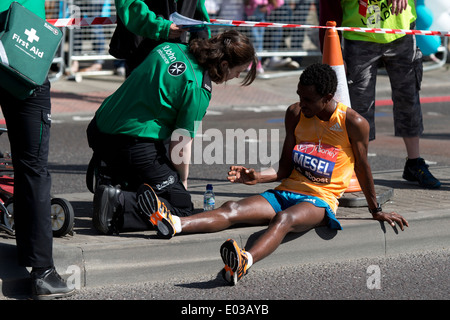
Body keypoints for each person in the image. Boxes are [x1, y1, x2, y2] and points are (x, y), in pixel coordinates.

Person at [137, 63, 409, 285]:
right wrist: (255, 177)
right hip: (286, 190)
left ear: (328, 98)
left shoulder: (352, 122)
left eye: (308, 100)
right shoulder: (294, 114)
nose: (301, 104)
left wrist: (376, 209)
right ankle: (173, 223)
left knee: (284, 218)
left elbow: (362, 167)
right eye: (299, 96)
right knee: (232, 208)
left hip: (320, 200)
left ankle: (244, 261)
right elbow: (283, 168)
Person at [87, 30, 258, 235]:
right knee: (181, 205)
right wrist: (181, 183)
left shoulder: (170, 48)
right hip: (130, 142)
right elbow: (180, 146)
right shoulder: (197, 88)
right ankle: (118, 204)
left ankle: (114, 175)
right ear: (224, 65)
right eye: (238, 71)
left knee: (152, 175)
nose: (237, 76)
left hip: (99, 128)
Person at [319, 0, 441, 189]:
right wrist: (329, 48)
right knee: (359, 106)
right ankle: (358, 167)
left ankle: (414, 162)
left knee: (408, 99)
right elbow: (328, 7)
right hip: (360, 36)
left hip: (401, 32)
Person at [0, 1, 75, 299]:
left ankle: (43, 270)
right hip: (26, 58)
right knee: (33, 170)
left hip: (28, 57)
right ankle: (43, 272)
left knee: (33, 169)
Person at [111, 0, 211, 77]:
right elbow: (129, 6)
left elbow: (198, 11)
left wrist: (204, 47)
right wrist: (161, 27)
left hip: (177, 52)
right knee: (142, 99)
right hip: (143, 50)